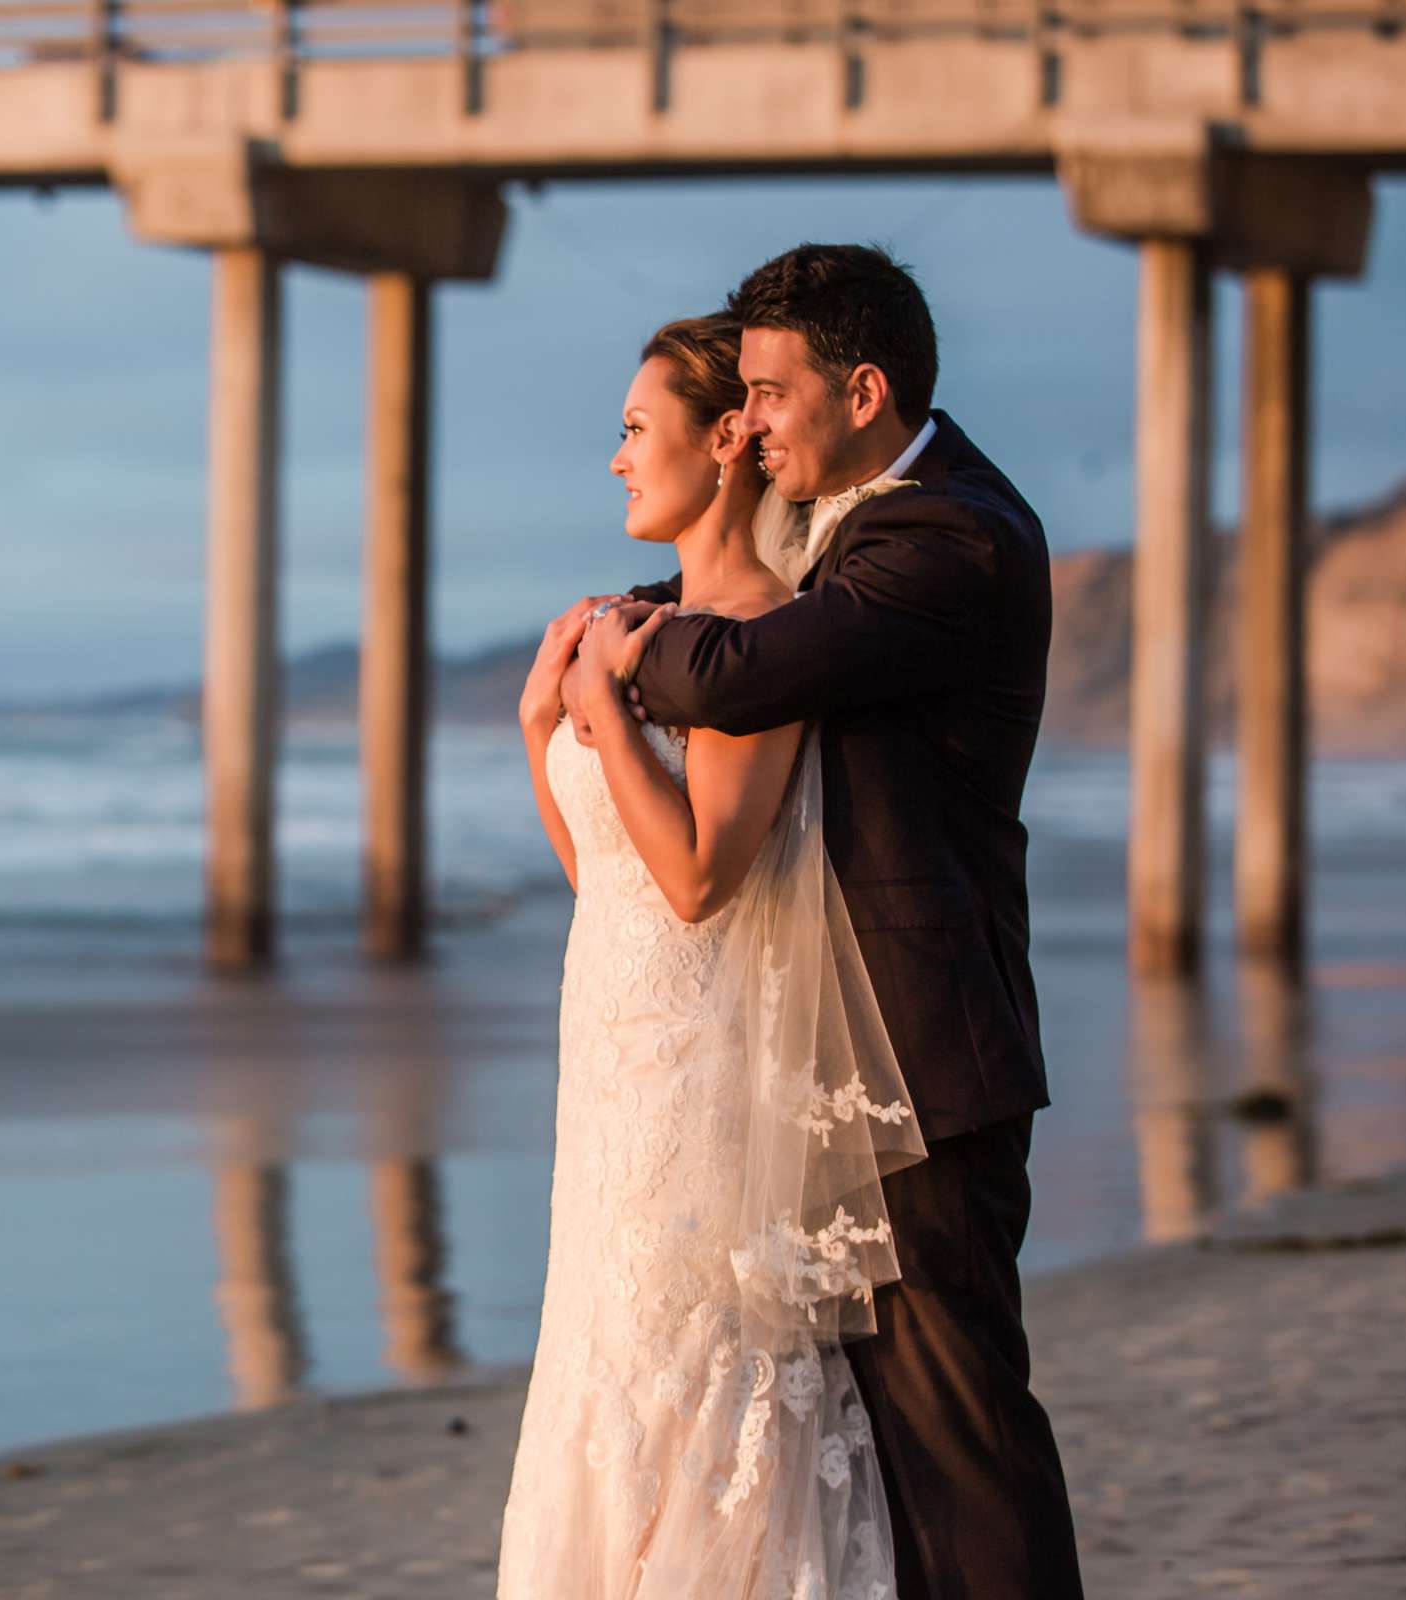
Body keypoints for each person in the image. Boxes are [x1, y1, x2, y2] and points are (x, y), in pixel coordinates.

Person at [573, 243, 1084, 1599]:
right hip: (838, 1064)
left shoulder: (949, 536)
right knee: (891, 1450)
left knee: (961, 1441)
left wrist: (627, 647)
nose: (752, 423)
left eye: (773, 392)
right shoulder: (846, 524)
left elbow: (748, 666)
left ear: (863, 392)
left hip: (922, 1057)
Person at [499, 310, 926, 1598]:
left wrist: (603, 723)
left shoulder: (753, 631)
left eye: (639, 429)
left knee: (694, 1408)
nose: (620, 459)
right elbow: (609, 888)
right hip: (612, 1083)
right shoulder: (641, 623)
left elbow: (698, 880)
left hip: (701, 1097)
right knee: (605, 1386)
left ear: (727, 439)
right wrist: (542, 730)